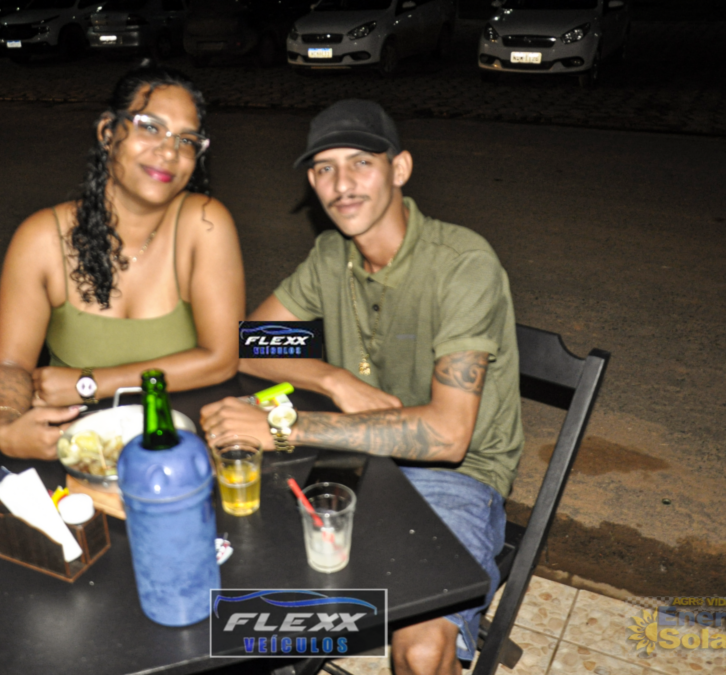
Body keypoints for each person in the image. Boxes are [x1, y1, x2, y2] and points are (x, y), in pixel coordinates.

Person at [200, 99, 523, 675]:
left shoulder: (464, 263)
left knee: (420, 650)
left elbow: (449, 436)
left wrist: (284, 427)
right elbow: (252, 344)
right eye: (325, 168)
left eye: (360, 163)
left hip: (453, 476)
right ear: (311, 182)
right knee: (231, 569)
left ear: (400, 169)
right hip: (350, 458)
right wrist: (334, 378)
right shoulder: (332, 256)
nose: (342, 184)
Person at [0, 64, 245, 460]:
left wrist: (90, 383)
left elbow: (222, 359)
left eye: (187, 140)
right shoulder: (41, 238)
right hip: (80, 443)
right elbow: (9, 363)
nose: (170, 151)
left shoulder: (205, 223)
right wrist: (5, 426)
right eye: (150, 127)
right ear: (108, 132)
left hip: (184, 444)